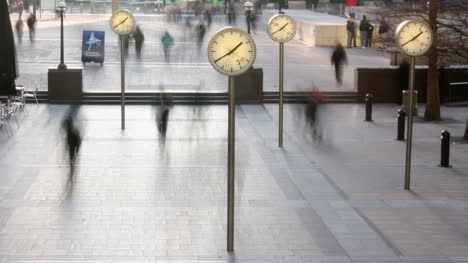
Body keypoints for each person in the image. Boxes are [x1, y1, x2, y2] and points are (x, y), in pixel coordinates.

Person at [62, 107, 82, 178]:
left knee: (72, 158)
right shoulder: (70, 132)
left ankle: (72, 170)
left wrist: (77, 149)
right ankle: (72, 169)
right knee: (71, 158)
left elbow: (78, 140)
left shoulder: (73, 132)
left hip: (72, 147)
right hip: (71, 147)